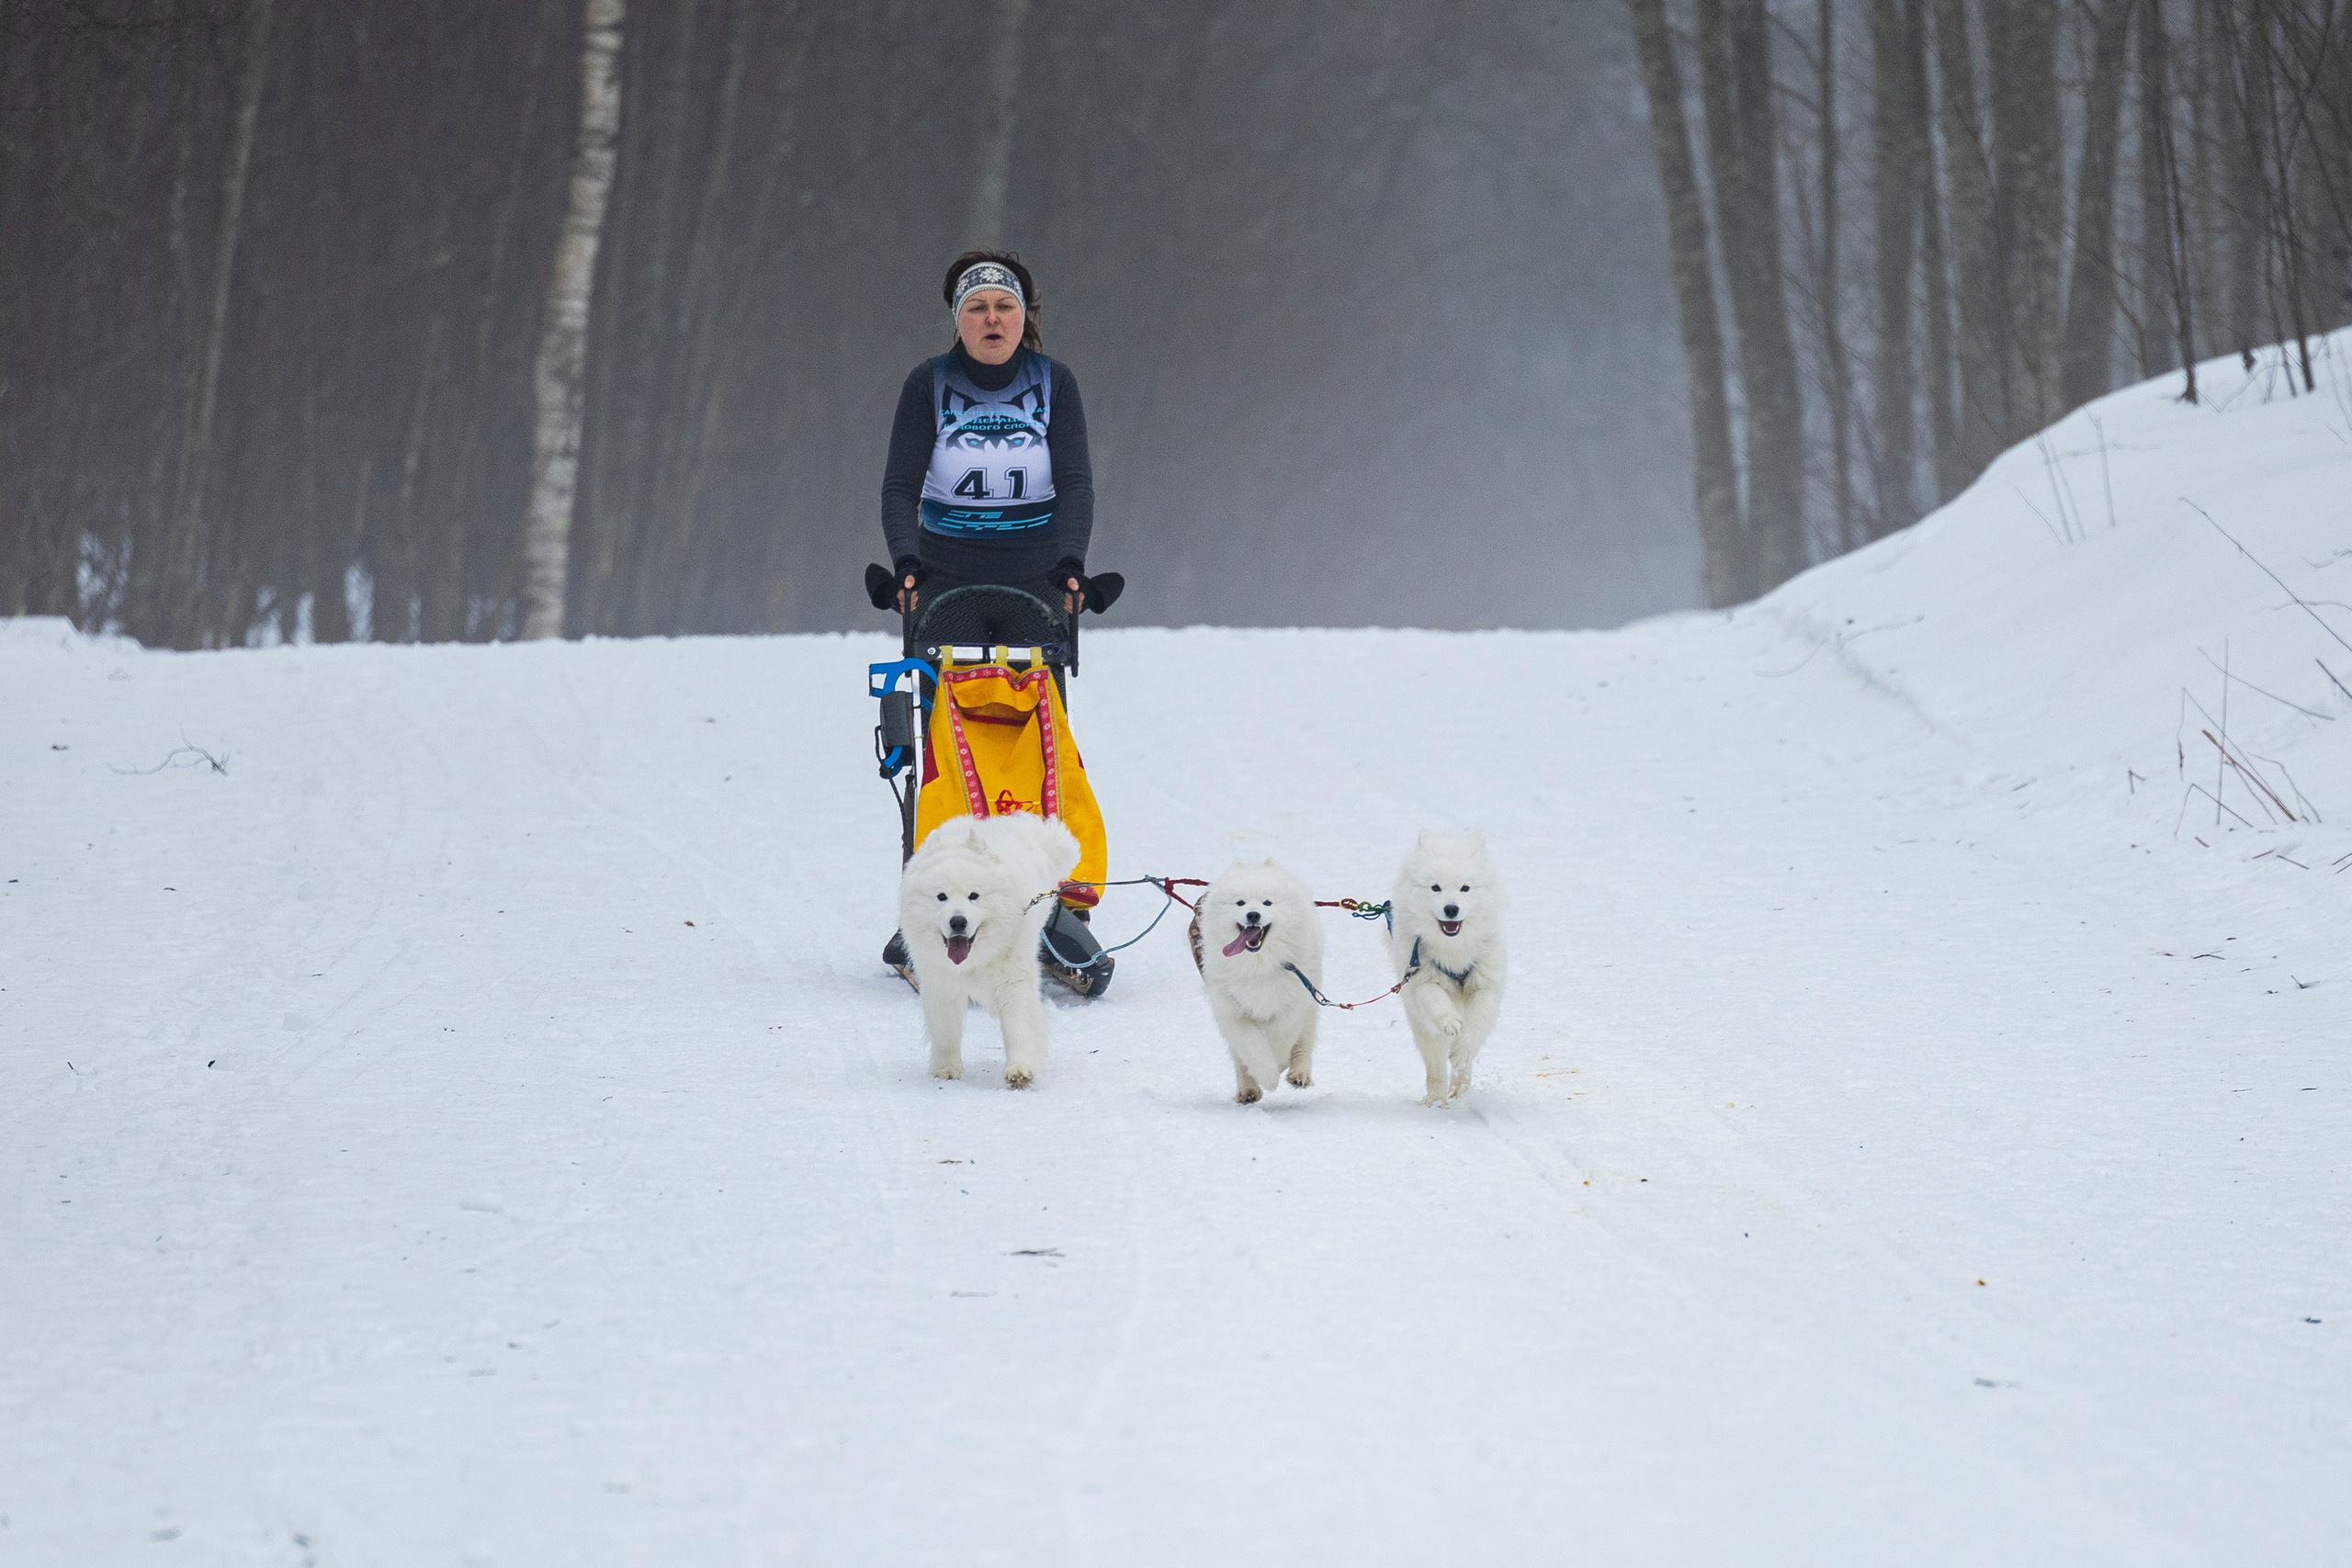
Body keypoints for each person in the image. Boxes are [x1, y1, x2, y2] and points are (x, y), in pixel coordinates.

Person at [879, 252, 1096, 636]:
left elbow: (1075, 485)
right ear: (958, 319)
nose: (992, 317)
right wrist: (906, 564)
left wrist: (1072, 563)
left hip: (1038, 578)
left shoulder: (1056, 382)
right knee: (949, 696)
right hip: (944, 579)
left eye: (1004, 306)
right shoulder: (926, 383)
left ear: (1022, 315)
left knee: (1037, 697)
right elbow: (899, 489)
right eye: (977, 307)